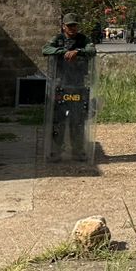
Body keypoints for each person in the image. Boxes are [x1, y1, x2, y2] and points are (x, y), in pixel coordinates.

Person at [42, 13, 97, 161]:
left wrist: (77, 52)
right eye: (69, 25)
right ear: (64, 26)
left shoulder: (83, 39)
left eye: (75, 25)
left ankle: (78, 151)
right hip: (61, 84)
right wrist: (64, 52)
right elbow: (46, 49)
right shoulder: (58, 39)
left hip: (78, 84)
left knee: (77, 121)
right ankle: (56, 152)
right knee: (58, 121)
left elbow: (92, 51)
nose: (73, 28)